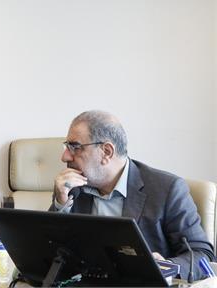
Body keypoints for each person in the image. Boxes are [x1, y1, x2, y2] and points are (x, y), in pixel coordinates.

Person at [50, 110, 215, 280]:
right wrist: (61, 204)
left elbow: (202, 255)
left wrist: (167, 267)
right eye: (67, 146)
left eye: (75, 147)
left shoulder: (167, 190)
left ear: (106, 152)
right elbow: (47, 254)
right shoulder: (72, 188)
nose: (65, 157)